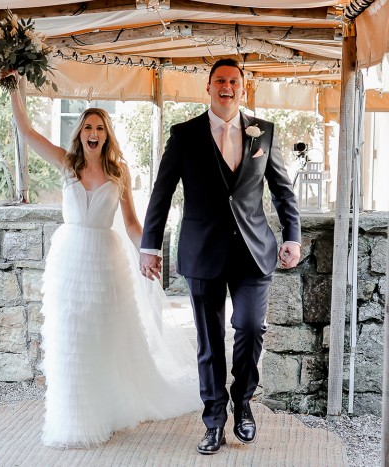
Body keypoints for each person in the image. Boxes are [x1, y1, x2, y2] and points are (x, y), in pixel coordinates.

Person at [4, 71, 201, 449]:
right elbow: (28, 132)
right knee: (71, 338)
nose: (94, 133)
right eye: (88, 127)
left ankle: (105, 410)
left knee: (101, 339)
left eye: (101, 127)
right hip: (69, 262)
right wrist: (15, 89)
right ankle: (73, 418)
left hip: (106, 263)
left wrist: (150, 250)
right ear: (79, 132)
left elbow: (130, 223)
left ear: (107, 135)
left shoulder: (118, 172)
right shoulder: (66, 164)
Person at [140, 58, 301, 455]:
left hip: (254, 251)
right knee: (210, 342)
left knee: (249, 328)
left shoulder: (263, 132)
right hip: (202, 251)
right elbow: (161, 193)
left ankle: (243, 402)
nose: (226, 87)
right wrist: (149, 246)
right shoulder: (184, 134)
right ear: (208, 88)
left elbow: (282, 191)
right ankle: (213, 420)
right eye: (219, 81)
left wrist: (292, 237)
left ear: (242, 89)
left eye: (233, 81)